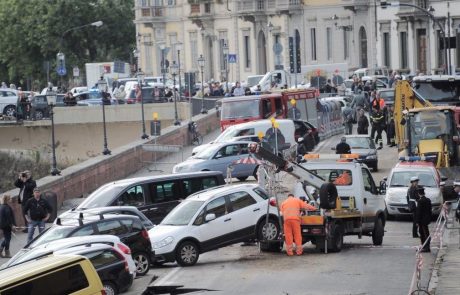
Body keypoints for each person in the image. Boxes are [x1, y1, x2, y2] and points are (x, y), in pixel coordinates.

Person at [415, 187, 432, 252]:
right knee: (425, 232)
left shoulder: (420, 201)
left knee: (423, 233)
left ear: (419, 194)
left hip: (422, 220)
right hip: (427, 219)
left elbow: (419, 212)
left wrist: (417, 221)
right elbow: (430, 210)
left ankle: (426, 247)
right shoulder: (428, 200)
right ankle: (425, 246)